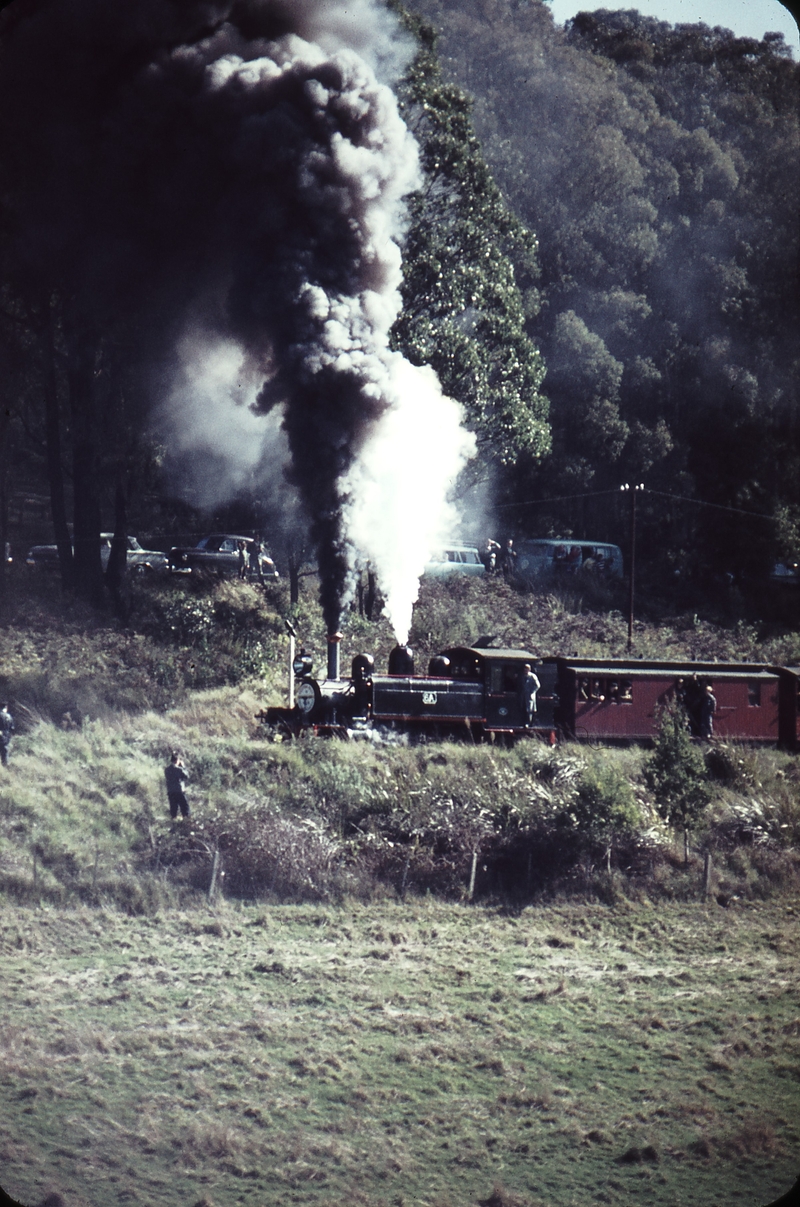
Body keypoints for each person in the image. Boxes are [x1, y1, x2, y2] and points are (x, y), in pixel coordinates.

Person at [164, 751, 189, 819]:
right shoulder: (179, 770)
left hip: (171, 792)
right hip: (179, 791)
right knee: (185, 809)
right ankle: (185, 822)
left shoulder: (167, 770)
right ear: (177, 760)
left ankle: (173, 821)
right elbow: (186, 776)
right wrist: (183, 767)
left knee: (173, 809)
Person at [518, 663, 541, 728]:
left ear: (529, 669)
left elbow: (538, 685)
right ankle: (522, 722)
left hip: (530, 695)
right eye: (525, 668)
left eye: (527, 668)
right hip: (523, 695)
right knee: (523, 708)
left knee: (529, 709)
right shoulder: (522, 676)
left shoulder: (533, 676)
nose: (525, 670)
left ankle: (528, 723)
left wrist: (532, 692)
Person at [0, 702, 14, 767]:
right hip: (6, 735)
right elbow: (12, 728)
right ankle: (5, 766)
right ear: (6, 707)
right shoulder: (9, 716)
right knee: (5, 751)